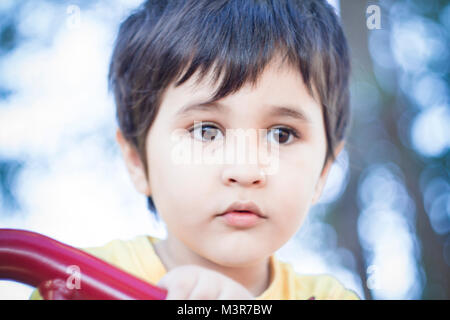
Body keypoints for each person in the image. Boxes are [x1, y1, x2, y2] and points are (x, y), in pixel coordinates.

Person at [31, 0, 359, 300]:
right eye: (206, 131)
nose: (245, 171)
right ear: (136, 161)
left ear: (324, 171)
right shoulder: (77, 283)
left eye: (282, 135)